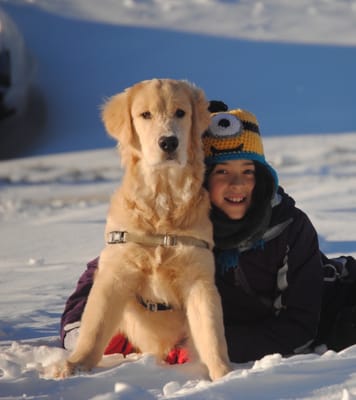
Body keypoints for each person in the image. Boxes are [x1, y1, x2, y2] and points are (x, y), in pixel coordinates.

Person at [60, 107, 356, 364]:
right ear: (200, 178)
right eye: (222, 172)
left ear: (263, 177)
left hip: (333, 299)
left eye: (248, 171)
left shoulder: (288, 226)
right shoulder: (164, 229)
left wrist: (208, 347)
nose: (237, 184)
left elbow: (299, 327)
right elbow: (90, 300)